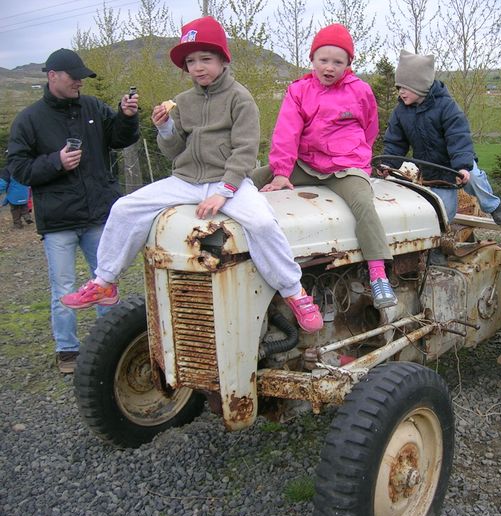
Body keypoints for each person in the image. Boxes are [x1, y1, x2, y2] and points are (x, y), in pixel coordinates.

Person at [60, 16, 323, 336]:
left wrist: (224, 192)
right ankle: (105, 281)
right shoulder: (183, 102)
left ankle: (294, 291)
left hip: (229, 180)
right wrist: (165, 127)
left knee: (263, 222)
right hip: (186, 180)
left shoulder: (240, 98)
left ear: (223, 60)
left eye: (206, 59)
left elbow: (244, 150)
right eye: (191, 61)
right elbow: (173, 151)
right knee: (125, 207)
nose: (198, 67)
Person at [7, 48, 140, 373]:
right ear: (52, 76)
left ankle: (112, 347)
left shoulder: (92, 107)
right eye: (74, 76)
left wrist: (126, 115)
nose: (80, 81)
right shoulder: (30, 119)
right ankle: (67, 351)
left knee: (105, 284)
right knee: (63, 288)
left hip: (97, 215)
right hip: (59, 222)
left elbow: (119, 139)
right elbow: (18, 167)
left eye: (82, 76)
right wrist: (56, 162)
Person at [251, 23, 398, 309]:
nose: (329, 67)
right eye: (323, 60)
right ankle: (212, 200)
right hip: (307, 164)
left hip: (345, 166)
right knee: (254, 177)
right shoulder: (299, 91)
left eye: (337, 62)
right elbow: (286, 132)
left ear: (348, 64)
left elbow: (370, 128)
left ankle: (377, 272)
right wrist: (281, 173)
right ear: (312, 60)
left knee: (364, 204)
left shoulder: (360, 91)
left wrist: (358, 160)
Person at [382, 49, 501, 225]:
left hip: (456, 162)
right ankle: (439, 247)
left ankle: (493, 206)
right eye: (399, 88)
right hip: (433, 169)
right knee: (442, 214)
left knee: (474, 178)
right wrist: (388, 164)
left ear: (420, 85)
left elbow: (458, 137)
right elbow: (395, 142)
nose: (401, 92)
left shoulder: (447, 107)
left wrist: (463, 167)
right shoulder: (400, 112)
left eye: (405, 87)